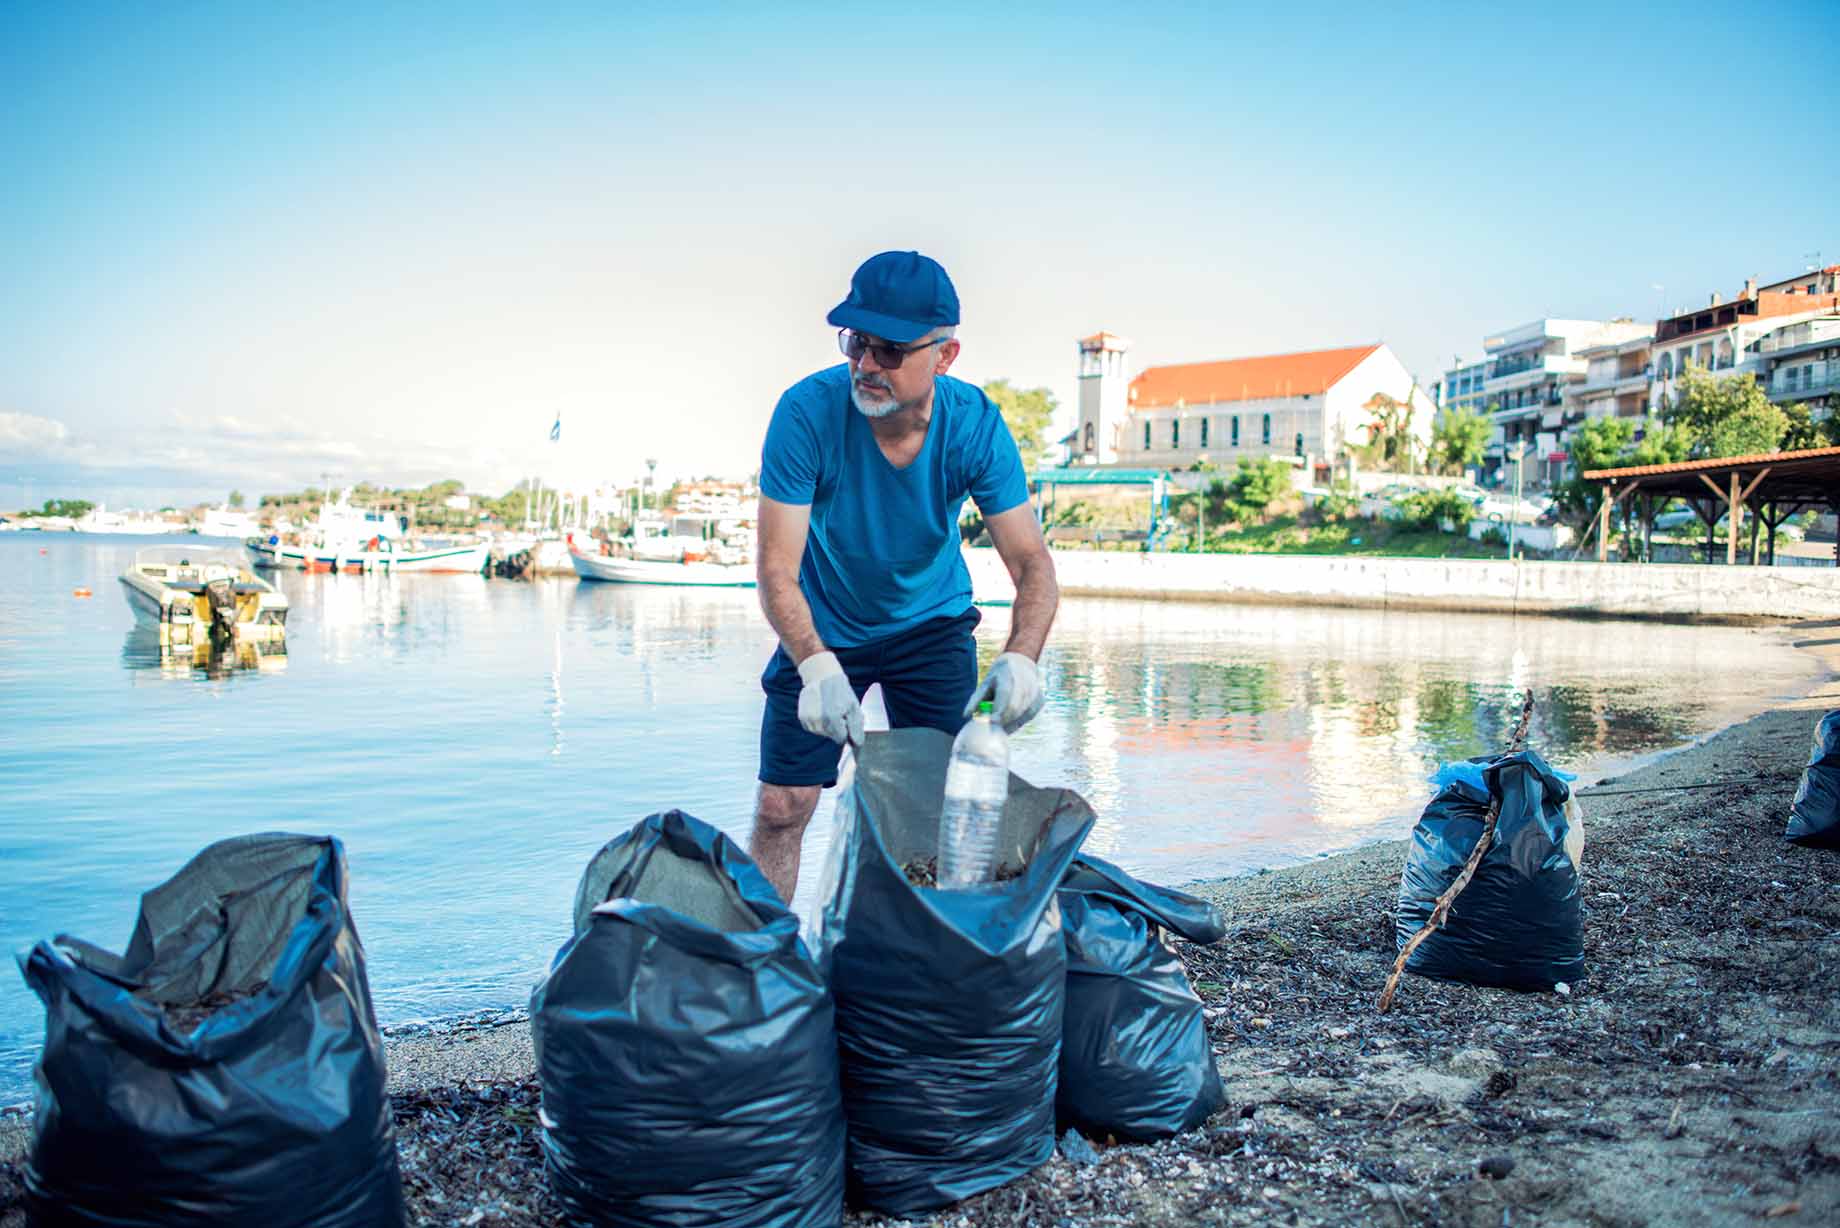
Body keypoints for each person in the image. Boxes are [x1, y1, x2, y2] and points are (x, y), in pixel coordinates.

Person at [748, 250, 1059, 901]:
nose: (865, 364)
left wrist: (1022, 658)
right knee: (783, 806)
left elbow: (1031, 563)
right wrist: (815, 666)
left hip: (930, 626)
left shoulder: (975, 426)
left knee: (947, 808)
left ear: (944, 356)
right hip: (824, 625)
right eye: (856, 342)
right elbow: (777, 567)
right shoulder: (805, 414)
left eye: (889, 351)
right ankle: (763, 967)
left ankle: (934, 955)